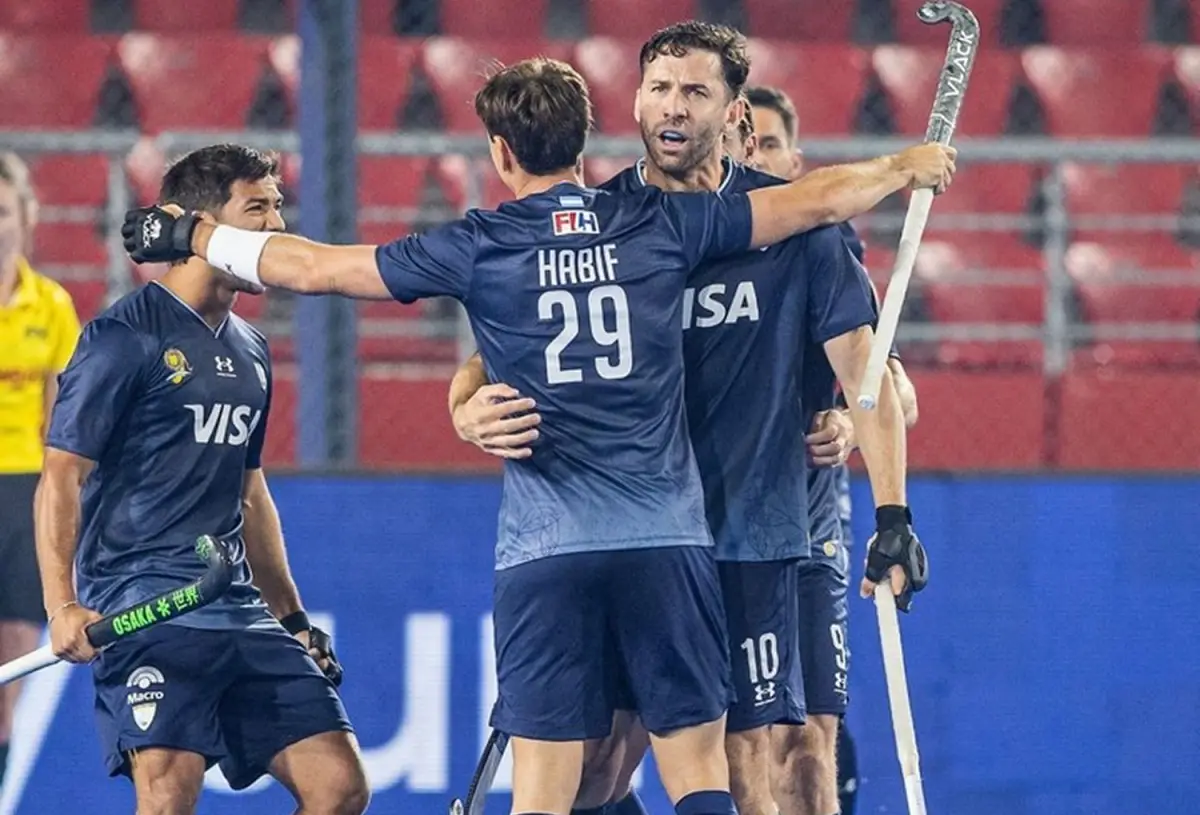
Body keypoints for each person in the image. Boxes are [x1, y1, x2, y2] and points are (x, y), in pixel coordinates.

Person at [120, 57, 952, 815]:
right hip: (668, 543)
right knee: (702, 770)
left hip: (546, 551)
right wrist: (899, 167)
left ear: (498, 153)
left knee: (549, 790)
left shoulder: (478, 246)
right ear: (590, 139)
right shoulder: (656, 227)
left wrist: (191, 236)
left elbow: (315, 267)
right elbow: (804, 200)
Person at [445, 24, 933, 815]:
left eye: (696, 92)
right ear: (635, 100)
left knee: (749, 763)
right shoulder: (599, 221)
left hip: (745, 534)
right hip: (629, 537)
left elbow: (867, 378)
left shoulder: (799, 227)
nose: (673, 108)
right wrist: (466, 408)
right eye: (660, 90)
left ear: (732, 111)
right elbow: (496, 354)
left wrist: (892, 514)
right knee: (597, 771)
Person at [37, 145, 369, 815]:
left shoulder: (252, 348)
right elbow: (61, 477)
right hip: (144, 606)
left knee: (339, 787)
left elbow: (250, 494)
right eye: (258, 208)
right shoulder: (119, 337)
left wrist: (294, 617)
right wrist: (61, 604)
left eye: (278, 205)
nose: (277, 225)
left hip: (236, 605)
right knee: (166, 798)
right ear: (199, 226)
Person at [744, 83, 922, 815]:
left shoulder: (826, 248)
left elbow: (893, 391)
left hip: (813, 526)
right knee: (730, 743)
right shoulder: (690, 240)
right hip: (710, 526)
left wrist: (853, 418)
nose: (756, 153)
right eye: (745, 139)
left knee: (810, 737)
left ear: (797, 159)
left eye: (772, 142)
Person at [0, 152, 80, 792]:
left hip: (24, 489)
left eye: (4, 211)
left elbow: (64, 417)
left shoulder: (50, 305)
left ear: (26, 220)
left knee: (13, 661)